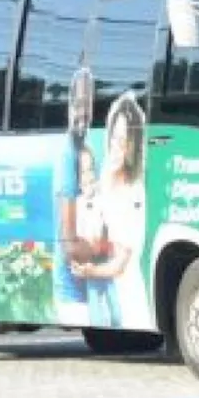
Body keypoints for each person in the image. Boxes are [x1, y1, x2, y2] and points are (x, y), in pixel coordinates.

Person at [70, 92, 152, 329]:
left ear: (134, 146)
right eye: (114, 138)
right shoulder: (103, 179)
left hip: (127, 296)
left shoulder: (134, 191)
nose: (117, 147)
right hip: (106, 279)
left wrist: (90, 270)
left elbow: (120, 264)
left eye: (124, 140)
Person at [53, 67, 97, 327]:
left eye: (88, 103)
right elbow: (70, 246)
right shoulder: (68, 153)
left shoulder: (86, 149)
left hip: (89, 282)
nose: (83, 112)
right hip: (71, 287)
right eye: (78, 103)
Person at [75, 145, 119, 326]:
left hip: (105, 256)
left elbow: (109, 221)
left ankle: (118, 324)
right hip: (90, 258)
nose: (89, 177)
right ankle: (99, 325)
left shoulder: (102, 200)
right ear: (78, 181)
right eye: (83, 173)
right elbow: (79, 231)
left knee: (113, 297)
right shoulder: (78, 204)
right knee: (94, 296)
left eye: (91, 170)